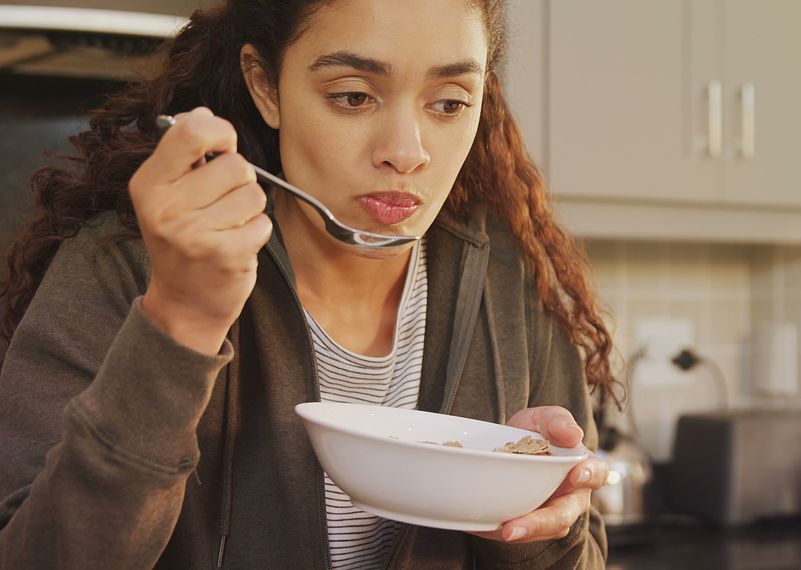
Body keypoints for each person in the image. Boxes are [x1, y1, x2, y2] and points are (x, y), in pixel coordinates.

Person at [0, 0, 618, 568]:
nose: (407, 153)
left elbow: (580, 554)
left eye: (449, 103)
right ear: (266, 86)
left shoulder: (512, 289)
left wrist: (543, 529)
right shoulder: (127, 268)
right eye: (352, 96)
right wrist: (179, 324)